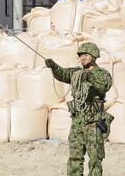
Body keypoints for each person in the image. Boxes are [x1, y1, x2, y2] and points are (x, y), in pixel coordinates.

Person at [45, 42, 114, 176]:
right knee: (74, 157)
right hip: (78, 121)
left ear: (94, 56)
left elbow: (104, 87)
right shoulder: (76, 72)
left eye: (86, 55)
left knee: (95, 159)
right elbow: (63, 74)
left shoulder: (102, 74)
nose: (82, 58)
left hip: (93, 121)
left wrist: (90, 79)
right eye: (81, 55)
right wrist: (53, 66)